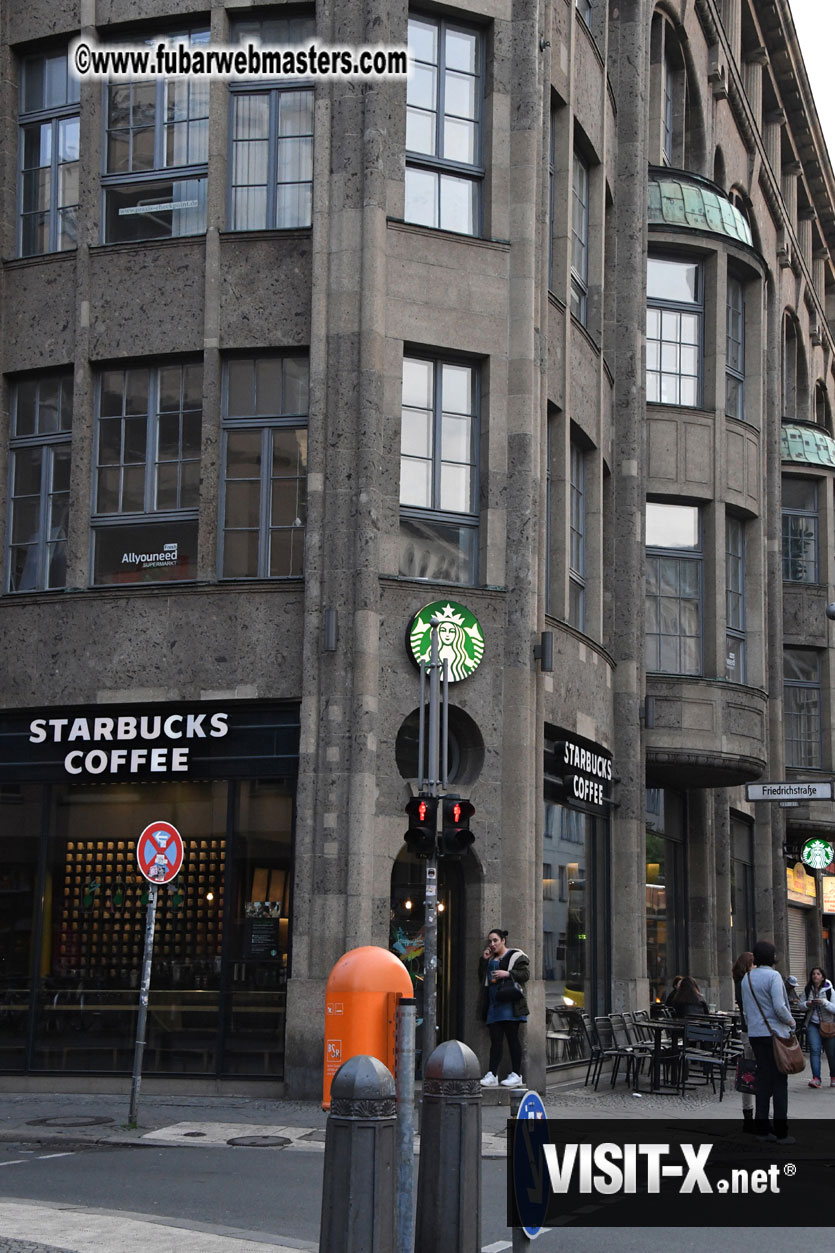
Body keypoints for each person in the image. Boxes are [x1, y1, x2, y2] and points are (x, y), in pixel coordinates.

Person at [739, 939, 796, 1143]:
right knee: (780, 1081)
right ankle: (782, 1131)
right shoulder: (774, 976)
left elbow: (746, 1010)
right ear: (771, 957)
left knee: (762, 1081)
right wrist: (791, 1022)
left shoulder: (747, 978)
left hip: (755, 1034)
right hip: (775, 1034)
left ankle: (762, 1129)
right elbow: (780, 1006)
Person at [478, 928, 530, 1088]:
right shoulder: (490, 958)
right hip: (494, 1004)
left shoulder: (515, 956)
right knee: (496, 1041)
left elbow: (525, 975)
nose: (492, 944)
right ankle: (492, 1074)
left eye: (495, 940)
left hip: (510, 1004)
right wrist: (484, 960)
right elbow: (482, 978)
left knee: (513, 1039)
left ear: (503, 941)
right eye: (490, 941)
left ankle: (517, 1074)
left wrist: (507, 974)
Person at [732, 951, 755, 1133]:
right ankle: (750, 1116)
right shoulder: (745, 984)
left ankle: (749, 1116)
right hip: (751, 1032)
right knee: (750, 1073)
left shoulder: (741, 983)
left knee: (749, 1073)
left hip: (748, 1031)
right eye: (754, 964)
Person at [803, 966, 835, 1089]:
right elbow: (801, 1005)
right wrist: (808, 1004)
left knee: (831, 1053)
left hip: (829, 1025)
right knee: (815, 1050)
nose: (815, 976)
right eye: (813, 974)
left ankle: (833, 1077)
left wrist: (824, 1003)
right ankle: (816, 1078)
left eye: (818, 974)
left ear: (822, 976)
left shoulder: (830, 991)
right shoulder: (808, 990)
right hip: (813, 1024)